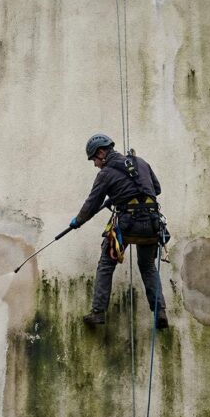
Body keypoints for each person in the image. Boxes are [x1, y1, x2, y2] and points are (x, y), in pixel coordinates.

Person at [70, 133, 168, 329]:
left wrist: (77, 221)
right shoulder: (140, 162)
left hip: (128, 225)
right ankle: (160, 312)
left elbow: (91, 204)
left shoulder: (105, 174)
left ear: (101, 153)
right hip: (152, 224)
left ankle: (98, 312)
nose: (95, 164)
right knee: (147, 265)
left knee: (106, 264)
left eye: (94, 159)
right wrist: (121, 195)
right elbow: (155, 189)